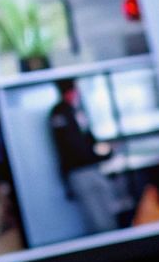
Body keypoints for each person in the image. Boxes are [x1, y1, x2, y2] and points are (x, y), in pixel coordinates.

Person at [47, 79, 122, 233]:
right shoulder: (59, 113)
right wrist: (100, 155)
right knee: (97, 219)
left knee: (109, 211)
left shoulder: (77, 111)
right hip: (79, 172)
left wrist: (106, 151)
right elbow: (72, 147)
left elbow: (89, 140)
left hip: (93, 168)